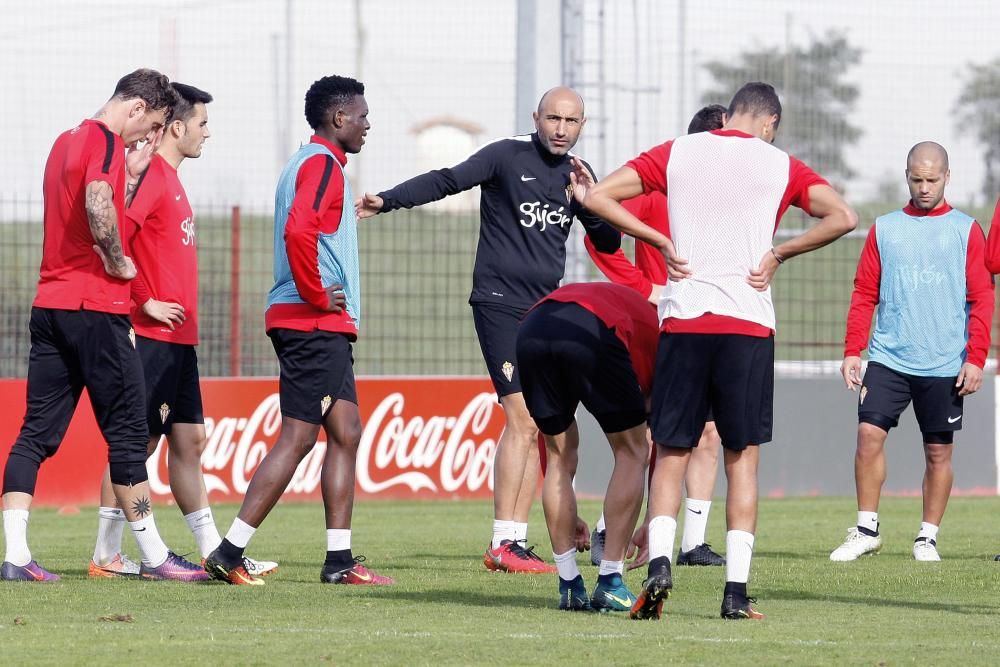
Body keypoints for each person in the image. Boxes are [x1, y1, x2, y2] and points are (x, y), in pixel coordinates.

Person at [583, 82, 858, 620]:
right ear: (769, 123)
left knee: (671, 453)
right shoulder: (779, 163)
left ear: (728, 115)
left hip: (683, 321)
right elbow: (843, 217)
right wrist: (780, 252)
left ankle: (659, 564)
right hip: (747, 327)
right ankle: (734, 593)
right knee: (742, 459)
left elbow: (597, 197)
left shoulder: (677, 152)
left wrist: (659, 242)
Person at [356, 86, 620, 574]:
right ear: (536, 117)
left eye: (572, 122)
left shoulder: (576, 175)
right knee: (521, 419)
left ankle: (539, 532)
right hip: (499, 304)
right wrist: (388, 201)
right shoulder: (505, 156)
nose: (561, 129)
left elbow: (608, 239)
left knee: (558, 432)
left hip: (547, 312)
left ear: (582, 126)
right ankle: (505, 541)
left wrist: (591, 202)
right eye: (553, 118)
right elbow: (448, 180)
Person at [2, 69, 207, 582]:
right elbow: (97, 204)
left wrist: (130, 174)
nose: (149, 138)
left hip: (50, 304)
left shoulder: (63, 140)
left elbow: (83, 201)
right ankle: (154, 556)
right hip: (97, 308)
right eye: (152, 125)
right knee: (128, 433)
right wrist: (118, 260)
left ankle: (16, 556)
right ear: (136, 109)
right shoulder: (107, 141)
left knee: (34, 435)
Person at [205, 75, 391, 586]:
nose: (367, 123)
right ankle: (229, 550)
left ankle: (339, 561)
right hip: (311, 319)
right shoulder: (323, 166)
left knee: (346, 431)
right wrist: (313, 294)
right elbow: (298, 232)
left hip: (319, 320)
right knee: (299, 436)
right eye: (361, 114)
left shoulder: (304, 163)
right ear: (338, 119)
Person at [87, 83, 277, 579]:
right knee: (137, 445)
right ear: (176, 126)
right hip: (151, 336)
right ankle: (106, 553)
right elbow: (114, 238)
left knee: (190, 439)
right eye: (202, 124)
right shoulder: (151, 177)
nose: (207, 133)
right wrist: (142, 299)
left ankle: (217, 552)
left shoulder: (173, 180)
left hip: (181, 340)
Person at [831, 142, 992, 563]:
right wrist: (853, 350)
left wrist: (975, 357)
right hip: (888, 358)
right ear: (907, 175)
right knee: (868, 435)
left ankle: (927, 537)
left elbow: (982, 297)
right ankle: (867, 529)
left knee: (938, 451)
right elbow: (864, 292)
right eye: (916, 179)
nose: (924, 187)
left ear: (947, 177)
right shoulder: (884, 228)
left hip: (945, 363)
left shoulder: (965, 229)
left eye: (932, 180)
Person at [584, 104, 728, 570]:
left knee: (708, 433)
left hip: (716, 324)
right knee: (648, 436)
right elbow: (597, 238)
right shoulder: (656, 190)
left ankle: (693, 543)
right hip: (662, 326)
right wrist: (646, 289)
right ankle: (612, 530)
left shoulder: (735, 195)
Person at [517, 281, 657, 611]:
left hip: (531, 327)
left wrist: (569, 514)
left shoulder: (636, 311)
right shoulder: (665, 341)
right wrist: (656, 519)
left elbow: (548, 445)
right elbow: (661, 442)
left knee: (558, 457)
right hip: (591, 328)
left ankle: (568, 584)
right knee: (633, 451)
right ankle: (610, 581)